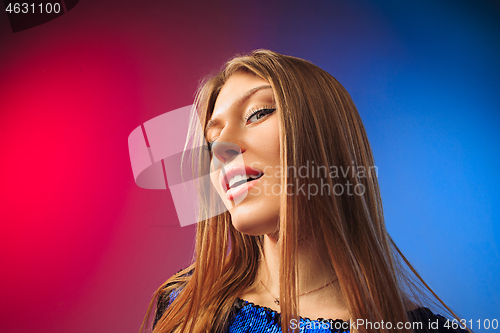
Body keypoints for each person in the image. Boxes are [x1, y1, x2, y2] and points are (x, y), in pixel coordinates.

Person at [140, 50, 468, 333]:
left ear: (328, 138)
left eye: (258, 113)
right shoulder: (184, 304)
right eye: (212, 142)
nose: (222, 149)